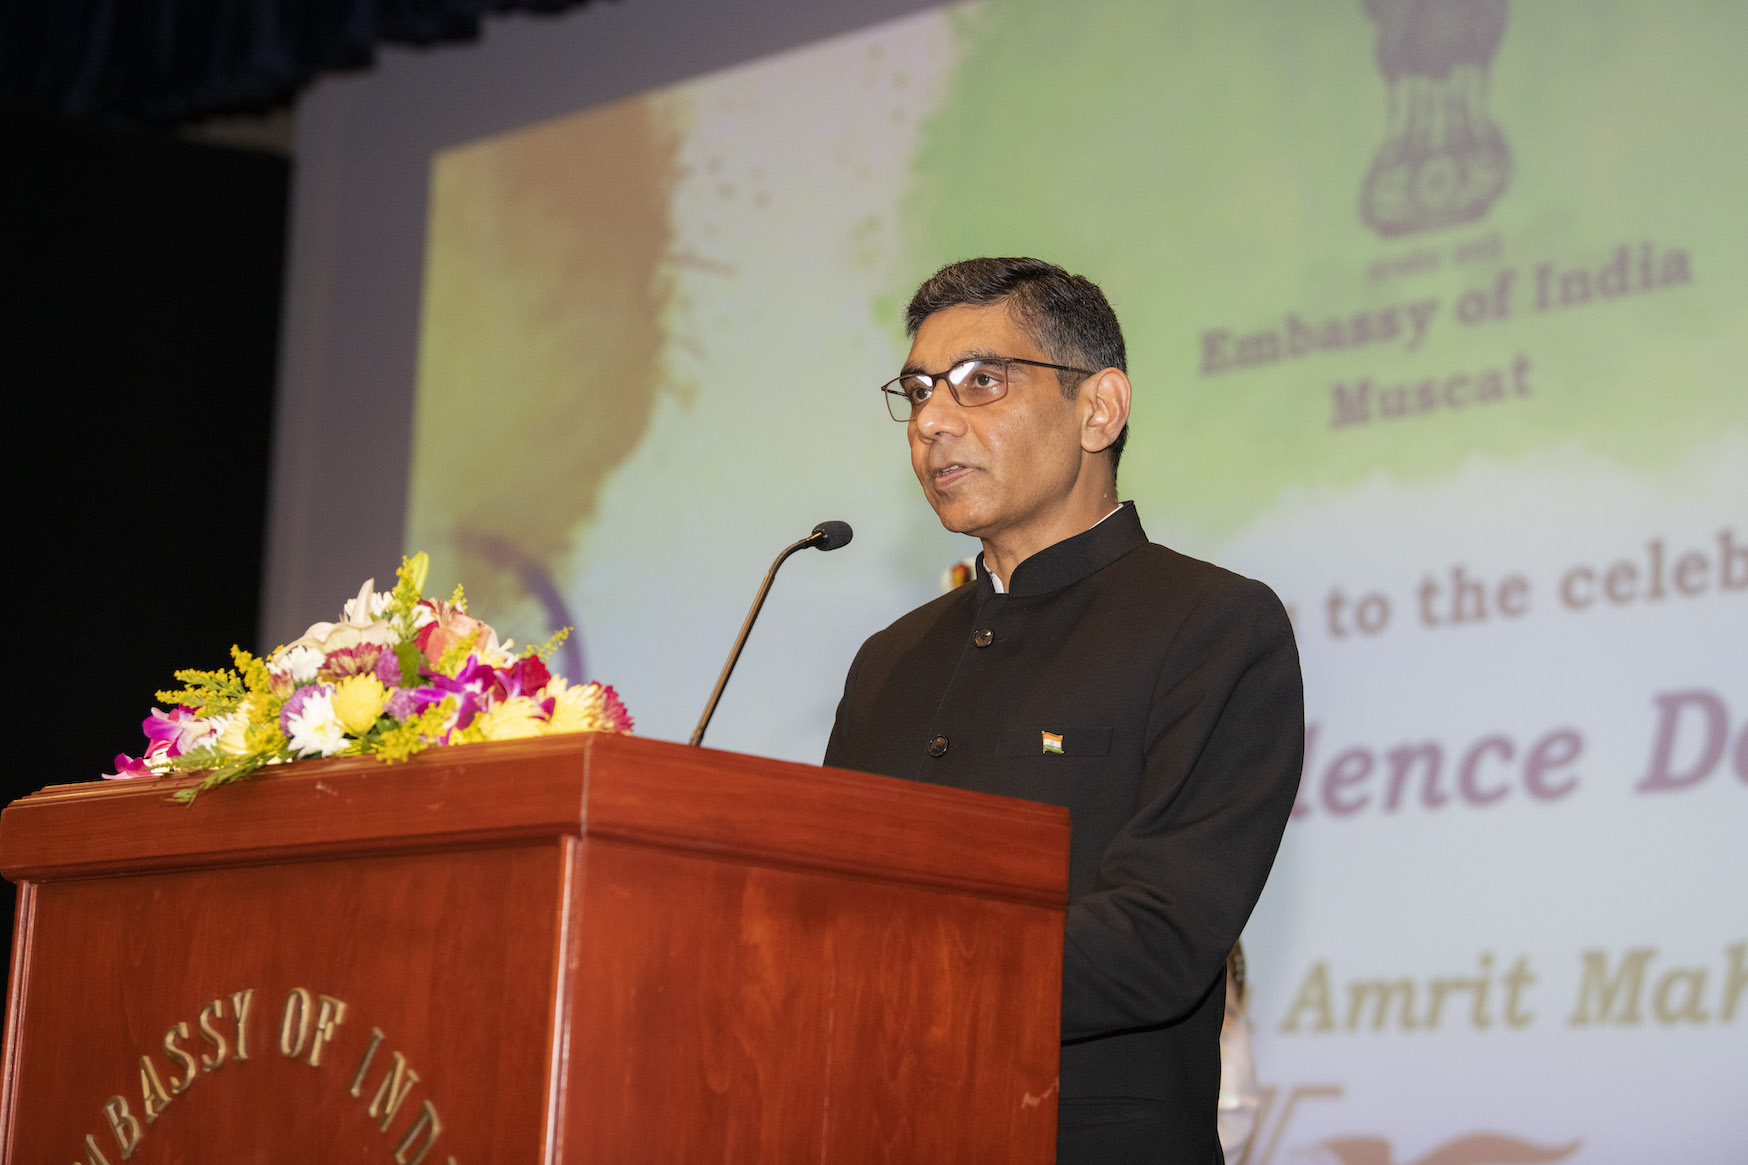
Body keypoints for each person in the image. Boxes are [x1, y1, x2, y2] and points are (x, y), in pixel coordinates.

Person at [824, 257, 1303, 1164]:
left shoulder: (1210, 626)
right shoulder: (890, 660)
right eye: (918, 390)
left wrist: (901, 972)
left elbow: (1157, 936)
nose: (930, 420)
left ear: (1100, 409)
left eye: (980, 382)